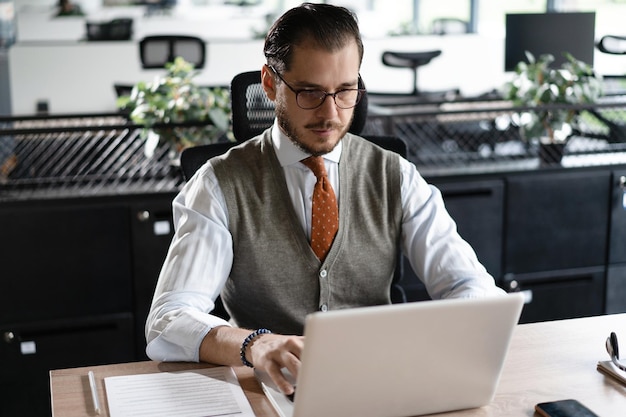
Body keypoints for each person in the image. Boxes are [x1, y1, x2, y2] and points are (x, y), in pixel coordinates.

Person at [145, 2, 505, 397]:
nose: (330, 114)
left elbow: (472, 289)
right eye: (310, 93)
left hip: (382, 386)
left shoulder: (396, 174)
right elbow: (169, 317)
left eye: (345, 91)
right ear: (270, 83)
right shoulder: (218, 183)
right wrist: (256, 344)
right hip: (273, 392)